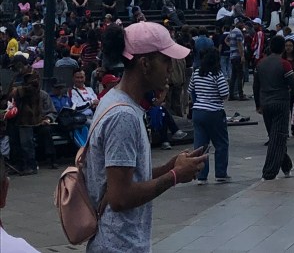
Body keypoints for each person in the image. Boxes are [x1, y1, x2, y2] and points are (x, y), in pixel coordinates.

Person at [83, 23, 206, 253]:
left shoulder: (116, 100)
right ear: (145, 63)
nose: (170, 68)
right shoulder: (123, 116)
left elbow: (127, 178)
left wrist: (170, 167)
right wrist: (174, 176)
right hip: (118, 246)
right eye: (165, 60)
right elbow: (120, 197)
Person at [253, 35, 294, 181]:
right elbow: (293, 84)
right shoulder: (284, 64)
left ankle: (287, 165)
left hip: (266, 103)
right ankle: (269, 172)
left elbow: (256, 86)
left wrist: (258, 104)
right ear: (283, 48)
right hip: (281, 103)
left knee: (275, 136)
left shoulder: (260, 64)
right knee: (278, 138)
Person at [188, 47, 231, 184]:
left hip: (198, 111)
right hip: (214, 112)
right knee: (221, 143)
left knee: (200, 145)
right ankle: (220, 174)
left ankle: (201, 175)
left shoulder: (196, 73)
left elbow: (190, 90)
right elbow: (224, 94)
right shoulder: (217, 74)